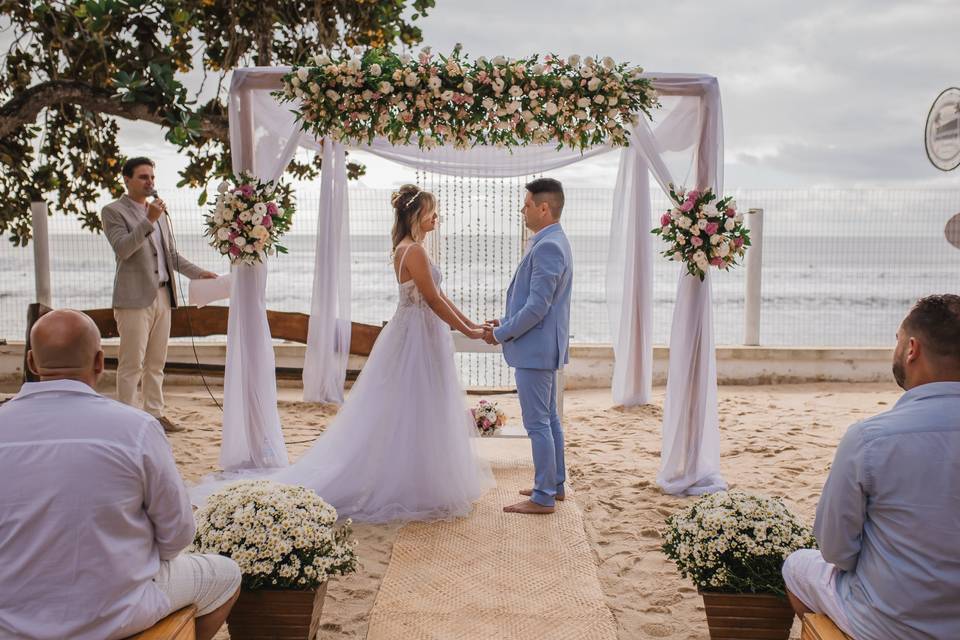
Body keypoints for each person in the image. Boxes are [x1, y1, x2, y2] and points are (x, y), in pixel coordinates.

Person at [194, 185, 494, 522]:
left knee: (418, 406)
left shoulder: (407, 249)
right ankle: (414, 481)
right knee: (419, 405)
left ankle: (420, 476)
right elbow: (435, 301)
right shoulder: (414, 253)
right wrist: (469, 331)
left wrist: (472, 325)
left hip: (416, 333)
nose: (437, 217)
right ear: (416, 215)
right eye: (432, 211)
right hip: (417, 339)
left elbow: (440, 296)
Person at [0, 309, 241, 640]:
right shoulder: (136, 428)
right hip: (114, 612)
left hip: (12, 618)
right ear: (100, 361)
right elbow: (178, 534)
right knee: (225, 576)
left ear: (31, 362)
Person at [782, 294, 960, 639]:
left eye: (896, 340)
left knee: (797, 566)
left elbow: (834, 550)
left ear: (912, 349)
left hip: (890, 623)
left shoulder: (870, 438)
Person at [102, 156, 217, 433]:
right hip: (133, 299)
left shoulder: (160, 213)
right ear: (127, 180)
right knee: (132, 363)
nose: (149, 182)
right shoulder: (113, 211)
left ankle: (155, 415)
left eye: (152, 177)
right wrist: (148, 220)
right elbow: (123, 249)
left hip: (164, 297)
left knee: (156, 363)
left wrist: (198, 273)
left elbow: (171, 255)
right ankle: (127, 421)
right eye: (143, 177)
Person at [483, 178, 573, 515]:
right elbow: (536, 303)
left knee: (538, 424)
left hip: (535, 351)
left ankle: (543, 496)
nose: (523, 209)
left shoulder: (549, 245)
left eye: (527, 204)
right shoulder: (555, 240)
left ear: (543, 207)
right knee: (549, 420)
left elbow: (538, 308)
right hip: (543, 347)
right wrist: (504, 320)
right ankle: (556, 484)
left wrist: (502, 332)